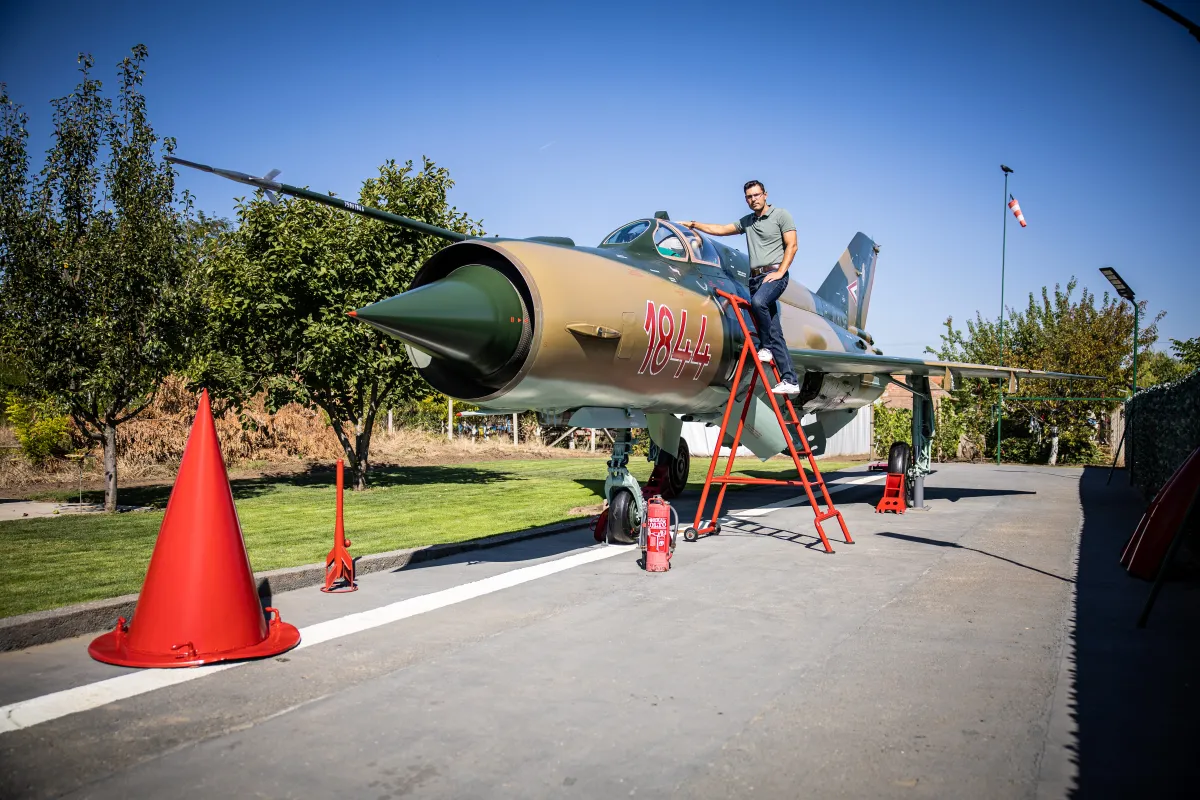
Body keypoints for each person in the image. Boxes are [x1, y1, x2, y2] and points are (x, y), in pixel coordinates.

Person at [683, 181, 800, 395]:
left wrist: (781, 272)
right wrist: (693, 225)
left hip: (774, 274)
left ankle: (765, 348)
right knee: (775, 330)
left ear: (765, 195)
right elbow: (720, 230)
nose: (753, 199)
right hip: (755, 279)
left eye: (756, 195)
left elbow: (792, 245)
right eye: (749, 197)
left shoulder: (781, 215)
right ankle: (790, 379)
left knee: (758, 303)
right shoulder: (748, 222)